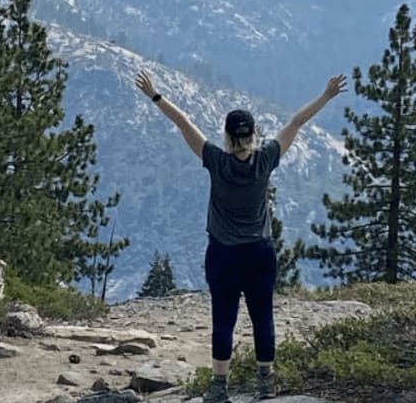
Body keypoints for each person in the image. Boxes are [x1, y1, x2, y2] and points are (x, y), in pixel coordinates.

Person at [134, 69, 347, 402]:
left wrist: (155, 95)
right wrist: (327, 95)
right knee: (263, 316)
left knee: (224, 319)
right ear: (253, 136)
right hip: (260, 254)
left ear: (228, 136)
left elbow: (184, 123)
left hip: (222, 255)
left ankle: (220, 388)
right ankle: (266, 385)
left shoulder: (215, 161)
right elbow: (295, 123)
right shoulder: (265, 162)